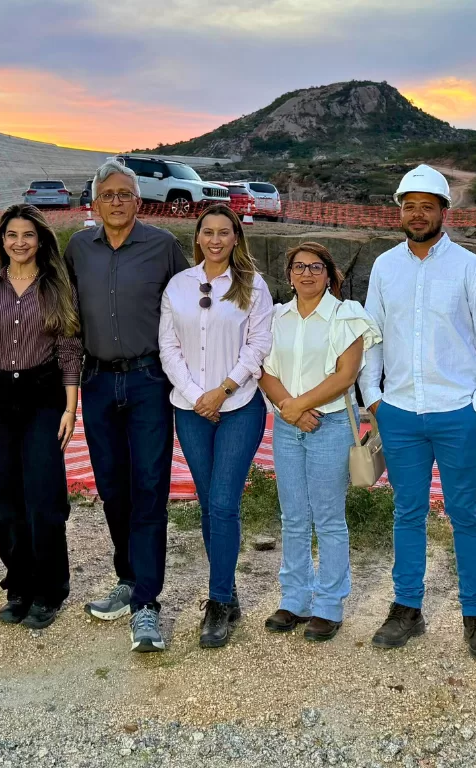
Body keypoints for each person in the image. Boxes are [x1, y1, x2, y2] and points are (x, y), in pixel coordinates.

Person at [358, 164, 476, 656]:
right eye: (410, 206)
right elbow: (373, 336)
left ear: (445, 211)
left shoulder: (470, 267)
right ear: (399, 211)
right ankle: (407, 608)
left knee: (465, 514)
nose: (417, 214)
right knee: (408, 512)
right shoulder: (385, 267)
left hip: (457, 412)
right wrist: (373, 398)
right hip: (399, 412)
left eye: (427, 206)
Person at [65, 160, 188, 653]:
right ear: (95, 203)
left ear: (139, 200)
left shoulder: (163, 246)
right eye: (107, 195)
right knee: (112, 487)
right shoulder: (78, 248)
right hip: (97, 381)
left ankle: (147, 604)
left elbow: (190, 306)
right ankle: (128, 577)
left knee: (150, 487)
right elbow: (62, 309)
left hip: (148, 380)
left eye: (124, 194)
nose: (116, 201)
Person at [0, 204, 82, 629]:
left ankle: (49, 590)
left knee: (44, 500)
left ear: (41, 240)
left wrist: (70, 408)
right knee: (4, 499)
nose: (20, 242)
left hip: (43, 399)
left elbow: (69, 351)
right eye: (11, 235)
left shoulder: (58, 290)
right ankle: (19, 586)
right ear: (2, 241)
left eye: (28, 234)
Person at [157, 204, 273, 648]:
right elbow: (168, 346)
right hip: (190, 409)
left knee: (224, 502)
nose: (216, 240)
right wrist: (195, 395)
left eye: (224, 232)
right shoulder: (178, 285)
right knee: (208, 504)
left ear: (236, 238)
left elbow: (257, 345)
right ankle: (228, 588)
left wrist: (221, 391)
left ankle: (218, 602)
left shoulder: (253, 285)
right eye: (208, 232)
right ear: (198, 237)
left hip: (239, 405)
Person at [258, 242, 380, 642]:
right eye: (299, 267)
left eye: (315, 267)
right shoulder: (276, 317)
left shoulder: (347, 315)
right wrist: (288, 408)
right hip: (287, 425)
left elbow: (346, 375)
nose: (306, 273)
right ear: (289, 275)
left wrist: (299, 406)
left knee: (328, 517)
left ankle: (329, 604)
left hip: (330, 425)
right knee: (293, 516)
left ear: (329, 274)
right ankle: (295, 599)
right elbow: (262, 368)